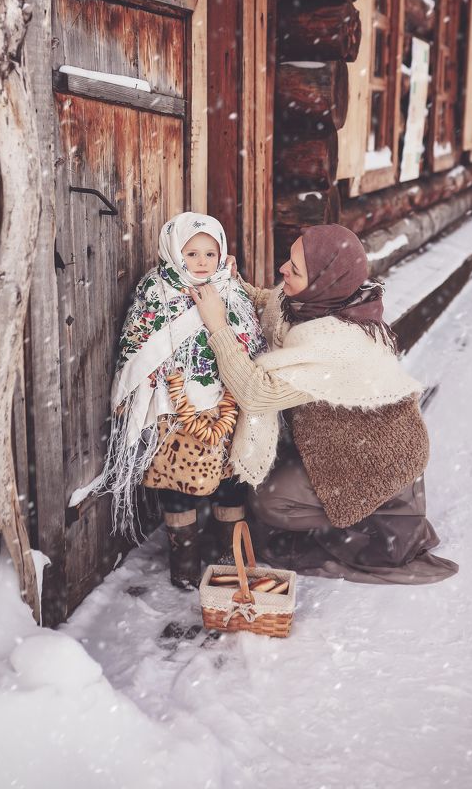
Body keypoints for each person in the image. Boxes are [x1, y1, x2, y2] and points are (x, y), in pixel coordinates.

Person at [189, 224, 458, 584]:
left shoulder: (336, 343)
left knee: (268, 502)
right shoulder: (323, 301)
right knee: (269, 474)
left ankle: (365, 516)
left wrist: (218, 326)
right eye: (290, 258)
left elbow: (257, 393)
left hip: (375, 458)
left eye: (295, 269)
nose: (283, 268)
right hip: (346, 439)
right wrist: (232, 285)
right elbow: (271, 302)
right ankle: (347, 502)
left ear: (323, 281)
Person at [89, 212, 266, 589]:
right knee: (175, 484)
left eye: (209, 254)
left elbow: (249, 334)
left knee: (229, 480)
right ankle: (183, 559)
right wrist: (148, 378)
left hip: (224, 403)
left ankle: (228, 555)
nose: (202, 263)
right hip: (173, 405)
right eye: (192, 254)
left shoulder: (229, 288)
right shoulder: (156, 289)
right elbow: (137, 342)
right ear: (173, 251)